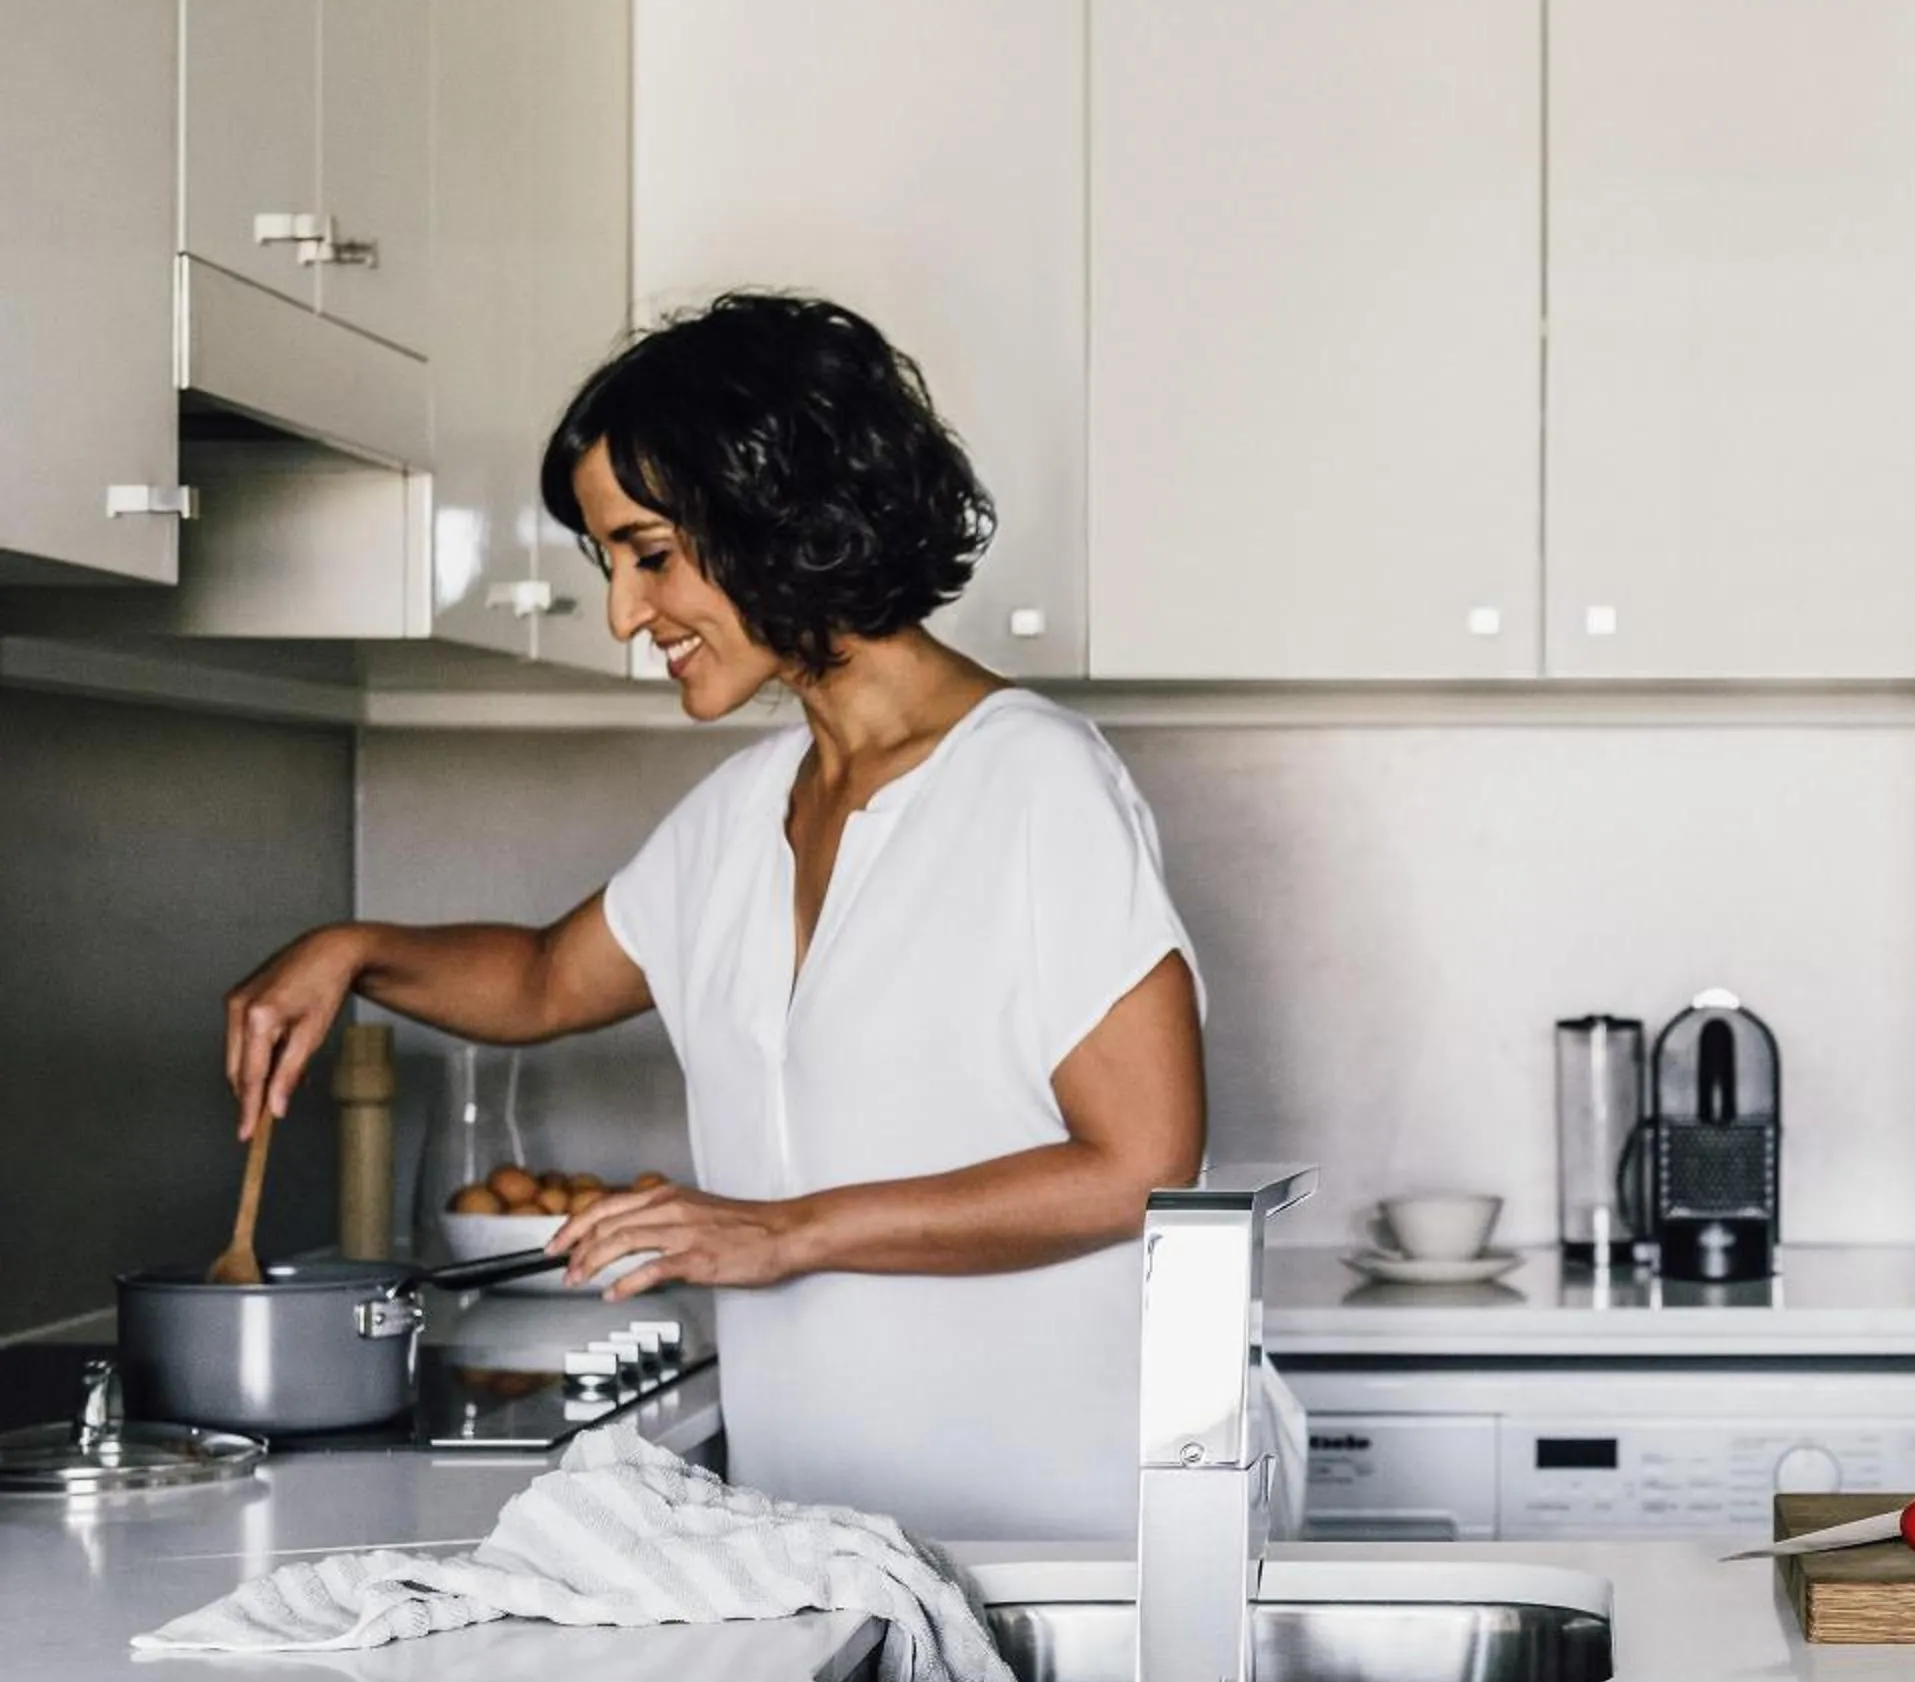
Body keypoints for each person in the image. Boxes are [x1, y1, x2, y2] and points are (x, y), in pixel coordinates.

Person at [222, 293, 1206, 1537]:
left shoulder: (1033, 781)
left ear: (778, 513)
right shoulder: (743, 811)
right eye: (612, 566)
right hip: (826, 1547)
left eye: (650, 555)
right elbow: (541, 980)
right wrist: (351, 950)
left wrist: (784, 1233)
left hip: (1059, 1544)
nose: (626, 616)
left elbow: (1142, 1166)